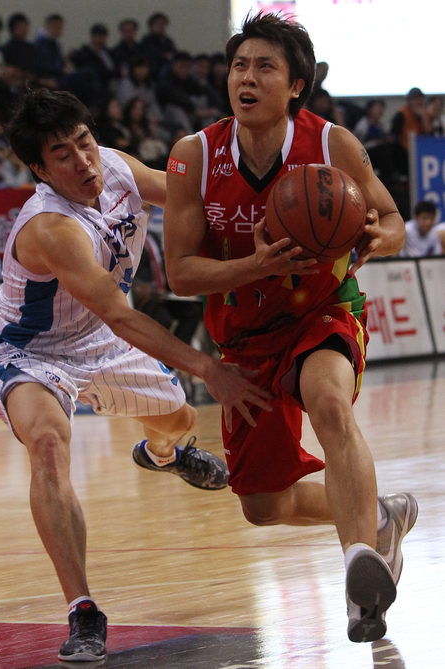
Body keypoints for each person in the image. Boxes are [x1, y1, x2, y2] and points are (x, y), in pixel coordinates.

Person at [0, 88, 271, 662]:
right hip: (34, 351)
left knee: (178, 421)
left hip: (103, 339)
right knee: (45, 442)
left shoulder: (114, 166)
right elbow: (121, 313)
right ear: (39, 168)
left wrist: (264, 214)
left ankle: (162, 454)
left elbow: (193, 197)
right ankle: (82, 610)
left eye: (84, 141)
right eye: (62, 154)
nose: (83, 160)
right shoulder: (51, 227)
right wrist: (210, 367)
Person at [163, 12, 418, 645]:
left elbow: (393, 222)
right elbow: (180, 275)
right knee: (263, 506)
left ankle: (361, 583)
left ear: (296, 85)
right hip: (244, 335)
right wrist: (255, 262)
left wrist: (370, 239)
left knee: (328, 400)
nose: (246, 78)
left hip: (322, 309)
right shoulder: (193, 156)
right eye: (239, 66)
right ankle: (376, 519)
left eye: (264, 67)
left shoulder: (333, 145)